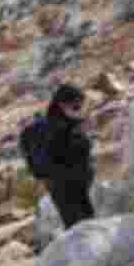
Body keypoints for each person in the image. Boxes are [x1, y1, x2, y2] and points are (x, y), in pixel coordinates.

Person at [28, 83, 96, 229]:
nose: (80, 111)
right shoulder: (57, 129)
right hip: (66, 186)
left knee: (83, 225)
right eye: (76, 107)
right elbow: (70, 153)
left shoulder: (62, 123)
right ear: (62, 105)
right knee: (80, 226)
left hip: (71, 185)